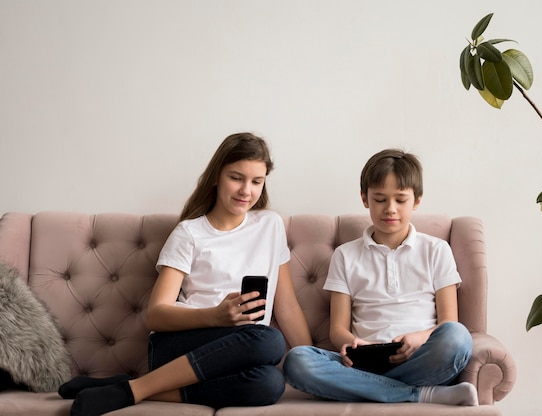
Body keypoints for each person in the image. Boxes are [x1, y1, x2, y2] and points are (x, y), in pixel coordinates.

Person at [59, 132, 312, 416]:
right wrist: (216, 316)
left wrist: (312, 363)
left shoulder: (270, 225)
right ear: (216, 176)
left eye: (257, 181)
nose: (246, 191)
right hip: (179, 346)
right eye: (236, 178)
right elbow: (156, 314)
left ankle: (130, 385)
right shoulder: (189, 233)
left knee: (269, 383)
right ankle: (134, 391)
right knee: (270, 340)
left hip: (240, 350)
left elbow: (287, 305)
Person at [283, 148, 478, 406]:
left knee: (458, 336)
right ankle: (418, 394)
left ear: (417, 200)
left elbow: (448, 321)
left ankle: (375, 390)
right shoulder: (345, 255)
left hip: (420, 357)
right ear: (365, 199)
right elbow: (337, 329)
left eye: (400, 200)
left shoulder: (436, 250)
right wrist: (354, 343)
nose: (390, 209)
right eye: (379, 199)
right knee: (297, 360)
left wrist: (419, 338)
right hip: (365, 362)